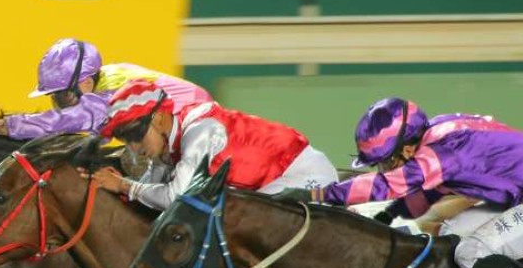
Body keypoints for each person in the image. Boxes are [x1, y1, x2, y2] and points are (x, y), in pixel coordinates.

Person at [283, 97, 523, 268]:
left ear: (407, 149)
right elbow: (426, 195)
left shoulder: (446, 152)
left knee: (470, 253)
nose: (385, 169)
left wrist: (318, 194)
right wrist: (383, 217)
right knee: (450, 237)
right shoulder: (436, 136)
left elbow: (388, 185)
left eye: (387, 162)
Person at [88, 79, 338, 211]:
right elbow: (148, 193)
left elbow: (175, 198)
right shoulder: (167, 147)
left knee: (244, 221)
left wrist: (123, 184)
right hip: (268, 185)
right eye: (125, 140)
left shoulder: (200, 132)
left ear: (160, 118)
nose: (133, 148)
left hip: (305, 176)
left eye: (136, 136)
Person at [0, 38, 211, 139]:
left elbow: (68, 120)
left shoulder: (116, 92)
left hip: (198, 130)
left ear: (86, 82)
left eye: (62, 94)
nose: (59, 103)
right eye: (54, 96)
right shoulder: (103, 83)